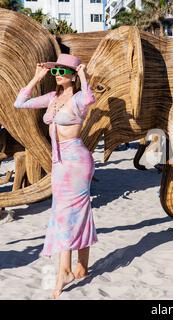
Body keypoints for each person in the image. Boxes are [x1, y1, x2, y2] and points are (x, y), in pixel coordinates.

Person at [14, 54, 97, 299]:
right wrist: (37, 77)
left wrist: (83, 75)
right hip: (59, 163)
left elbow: (91, 98)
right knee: (66, 211)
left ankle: (65, 272)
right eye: (56, 71)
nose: (58, 74)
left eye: (63, 71)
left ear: (72, 75)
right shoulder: (52, 98)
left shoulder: (80, 97)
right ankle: (78, 266)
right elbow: (20, 102)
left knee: (67, 213)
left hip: (77, 161)